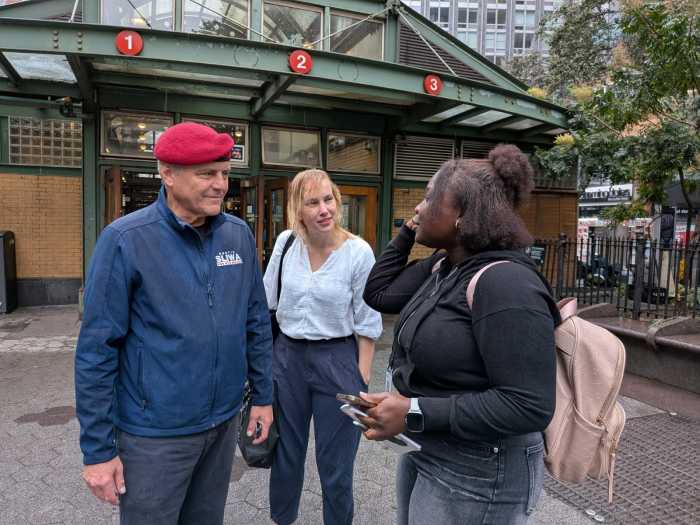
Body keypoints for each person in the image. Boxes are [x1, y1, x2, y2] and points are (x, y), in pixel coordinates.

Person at [75, 122, 274, 525]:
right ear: (167, 174)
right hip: (154, 436)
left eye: (224, 173)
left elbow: (255, 321)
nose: (221, 184)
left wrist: (264, 398)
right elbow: (96, 351)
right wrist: (98, 451)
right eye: (207, 174)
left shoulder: (237, 236)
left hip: (221, 424)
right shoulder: (126, 241)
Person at [361, 145, 560, 525]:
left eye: (429, 197)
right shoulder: (444, 265)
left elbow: (529, 405)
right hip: (431, 449)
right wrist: (409, 230)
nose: (418, 208)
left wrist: (414, 411)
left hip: (483, 471)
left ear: (462, 216)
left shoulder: (506, 283)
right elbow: (379, 293)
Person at [264, 169, 382, 525]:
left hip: (338, 359)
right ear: (298, 210)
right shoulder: (286, 244)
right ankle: (282, 519)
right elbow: (265, 303)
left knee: (337, 462)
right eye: (312, 202)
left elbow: (367, 323)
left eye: (328, 199)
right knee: (285, 454)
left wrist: (360, 377)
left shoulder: (358, 252)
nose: (323, 209)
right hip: (288, 358)